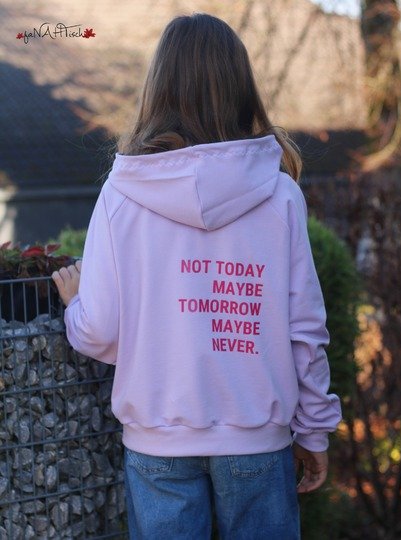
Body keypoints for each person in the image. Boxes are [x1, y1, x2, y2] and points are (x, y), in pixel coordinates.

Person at [52, 13, 342, 540]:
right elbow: (304, 328)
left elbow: (100, 332)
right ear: (240, 88)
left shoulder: (121, 195)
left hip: (158, 442)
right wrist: (315, 430)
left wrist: (75, 306)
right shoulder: (280, 195)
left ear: (157, 88)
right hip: (257, 440)